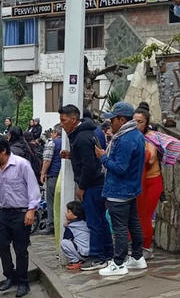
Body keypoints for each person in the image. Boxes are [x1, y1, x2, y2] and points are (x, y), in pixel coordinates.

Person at [58, 104, 113, 271]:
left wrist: (81, 187)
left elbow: (90, 166)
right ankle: (108, 253)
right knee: (101, 221)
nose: (61, 124)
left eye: (63, 120)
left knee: (94, 222)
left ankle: (97, 257)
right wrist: (71, 156)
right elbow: (87, 158)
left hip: (92, 185)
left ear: (74, 119)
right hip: (96, 184)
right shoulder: (87, 133)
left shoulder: (81, 138)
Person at [95, 101, 147, 277]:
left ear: (122, 119)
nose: (111, 123)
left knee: (120, 228)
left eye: (113, 120)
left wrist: (103, 157)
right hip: (131, 189)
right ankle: (138, 257)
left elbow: (120, 168)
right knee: (133, 223)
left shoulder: (124, 139)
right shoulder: (137, 135)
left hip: (119, 191)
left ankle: (119, 263)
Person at [0, 134, 41, 297]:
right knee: (1, 245)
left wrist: (32, 210)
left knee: (20, 249)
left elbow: (33, 187)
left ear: (3, 151)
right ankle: (10, 276)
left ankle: (23, 282)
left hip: (22, 212)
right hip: (3, 212)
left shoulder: (22, 165)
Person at [133, 105, 163, 259]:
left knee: (144, 215)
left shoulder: (150, 136)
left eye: (140, 121)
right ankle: (136, 245)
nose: (137, 124)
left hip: (151, 182)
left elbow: (150, 158)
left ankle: (146, 247)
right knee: (136, 215)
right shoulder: (132, 136)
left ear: (146, 123)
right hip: (139, 181)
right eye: (134, 121)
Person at [39, 124, 62, 235]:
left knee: (51, 200)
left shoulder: (52, 143)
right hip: (63, 175)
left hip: (53, 175)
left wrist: (43, 173)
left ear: (56, 133)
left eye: (52, 132)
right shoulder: (66, 142)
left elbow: (47, 160)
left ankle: (51, 224)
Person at [60, 200, 90, 270]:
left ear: (75, 214)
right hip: (91, 254)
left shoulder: (71, 226)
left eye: (68, 211)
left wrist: (66, 227)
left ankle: (76, 262)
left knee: (64, 243)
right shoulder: (85, 223)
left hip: (82, 254)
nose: (66, 213)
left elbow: (66, 238)